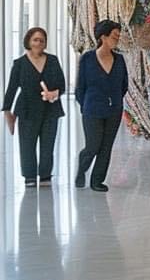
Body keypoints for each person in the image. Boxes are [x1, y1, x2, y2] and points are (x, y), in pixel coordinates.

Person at [2, 27, 66, 187]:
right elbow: (11, 88)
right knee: (27, 144)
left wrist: (54, 93)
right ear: (29, 42)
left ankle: (45, 175)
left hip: (50, 110)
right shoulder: (19, 64)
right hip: (27, 110)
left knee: (48, 144)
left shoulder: (53, 60)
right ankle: (29, 176)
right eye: (35, 40)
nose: (38, 43)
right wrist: (7, 110)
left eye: (42, 40)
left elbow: (62, 85)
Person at [74, 20, 129, 192]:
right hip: (92, 110)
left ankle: (97, 180)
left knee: (106, 147)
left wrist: (115, 101)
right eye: (114, 36)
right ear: (103, 37)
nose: (117, 39)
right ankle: (82, 167)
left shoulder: (119, 60)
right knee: (93, 145)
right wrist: (85, 106)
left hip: (114, 111)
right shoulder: (87, 59)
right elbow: (80, 87)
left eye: (118, 36)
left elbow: (124, 85)